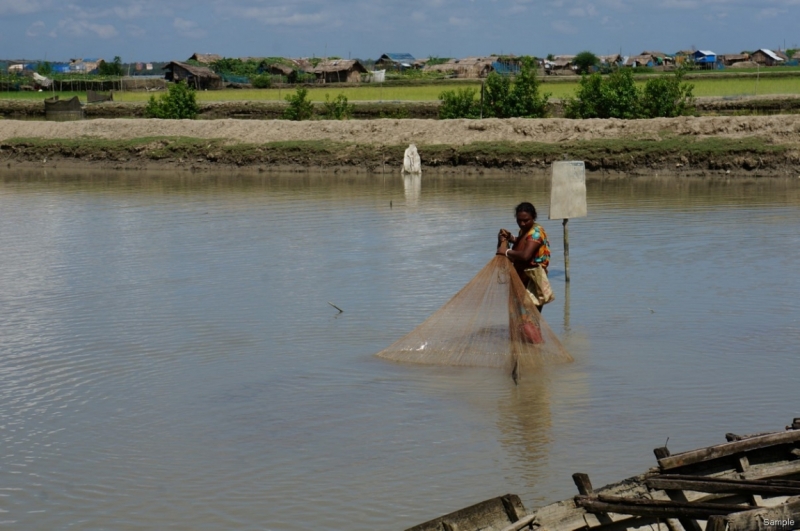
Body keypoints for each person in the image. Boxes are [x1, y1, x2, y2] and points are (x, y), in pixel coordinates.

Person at [497, 202, 551, 312]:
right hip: (522, 277)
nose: (522, 223)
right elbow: (524, 242)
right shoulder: (525, 230)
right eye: (519, 220)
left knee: (529, 317)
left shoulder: (536, 233)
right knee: (521, 316)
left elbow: (526, 255)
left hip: (533, 280)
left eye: (526, 220)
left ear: (533, 217)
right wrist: (512, 238)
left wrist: (506, 251)